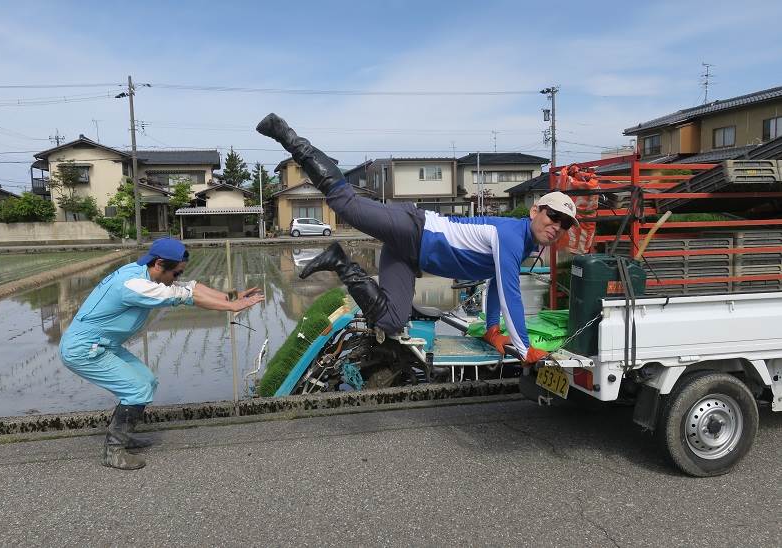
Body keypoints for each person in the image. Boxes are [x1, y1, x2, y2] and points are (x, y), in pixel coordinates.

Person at [256, 113, 578, 365]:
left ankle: (340, 261)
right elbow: (511, 294)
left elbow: (496, 286)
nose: (556, 226)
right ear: (535, 210)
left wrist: (493, 329)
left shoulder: (520, 246)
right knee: (345, 204)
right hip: (415, 228)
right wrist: (524, 348)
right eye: (552, 216)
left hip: (411, 256)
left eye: (564, 225)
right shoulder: (509, 235)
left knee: (392, 321)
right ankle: (288, 136)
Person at [59, 238, 264, 470]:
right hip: (84, 349)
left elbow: (190, 287)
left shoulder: (141, 272)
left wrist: (229, 297)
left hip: (103, 345)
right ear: (158, 264)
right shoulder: (133, 286)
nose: (176, 278)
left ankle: (123, 438)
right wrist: (232, 308)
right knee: (135, 388)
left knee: (146, 381)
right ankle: (114, 451)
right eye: (175, 273)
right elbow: (186, 296)